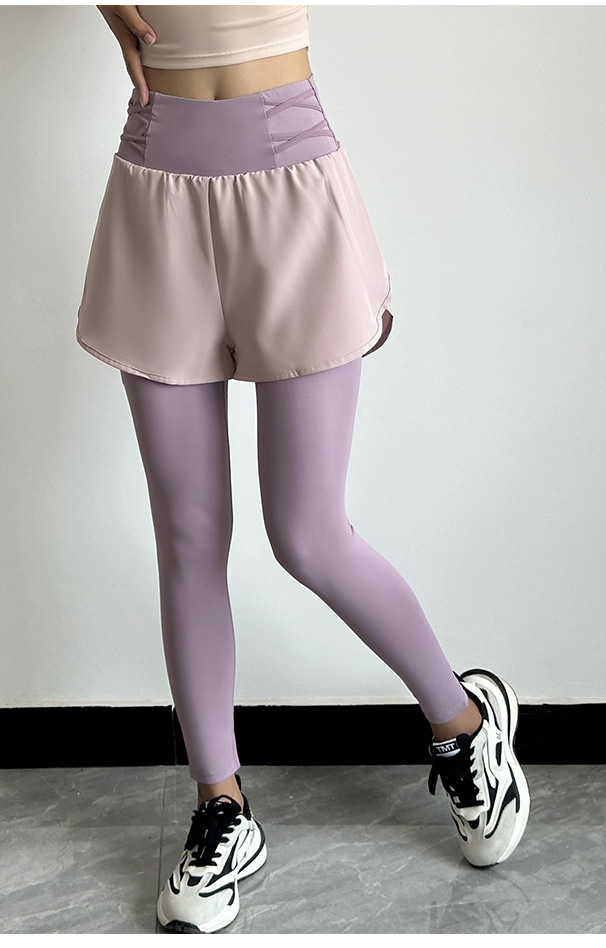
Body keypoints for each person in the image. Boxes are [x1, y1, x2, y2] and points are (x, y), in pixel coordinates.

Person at [77, 5, 530, 934]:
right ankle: (222, 807)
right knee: (189, 534)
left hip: (288, 176)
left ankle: (464, 725)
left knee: (308, 533)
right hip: (157, 182)